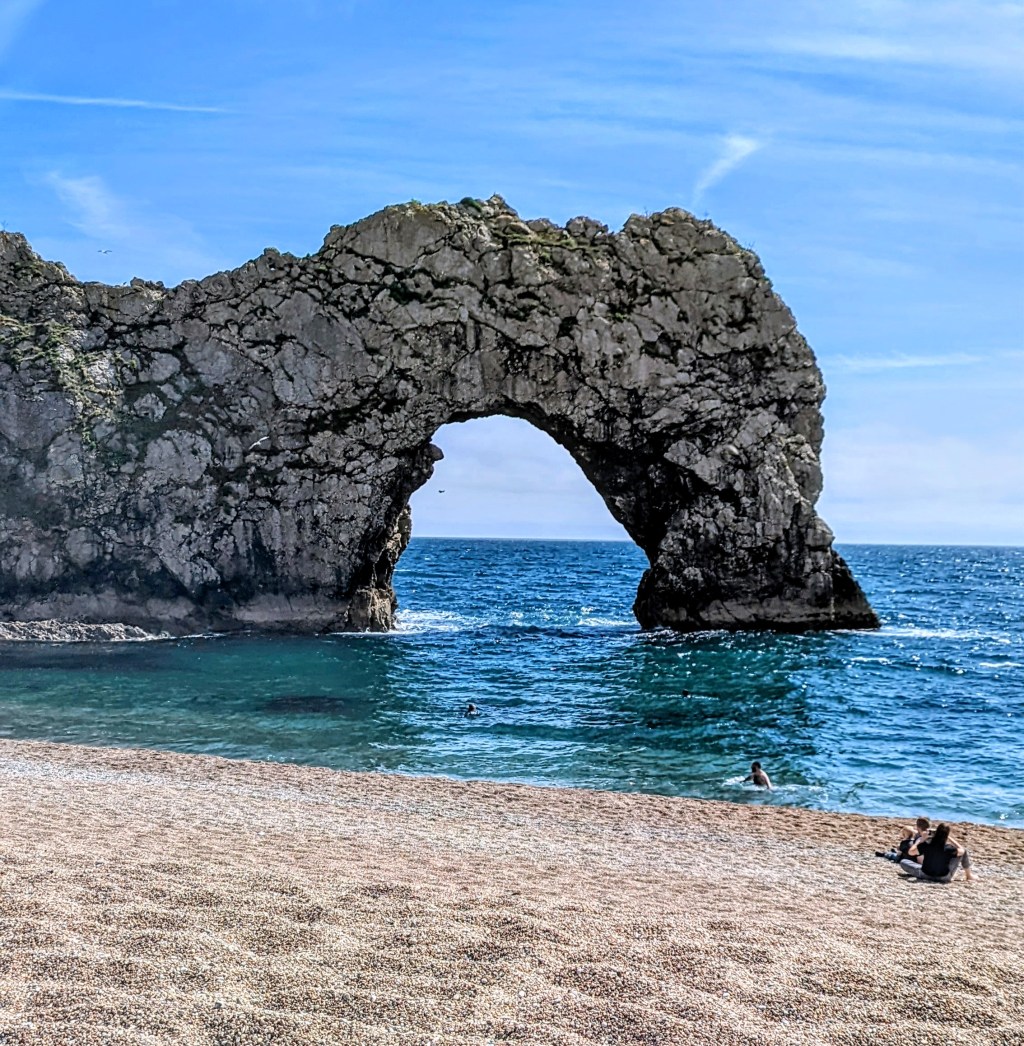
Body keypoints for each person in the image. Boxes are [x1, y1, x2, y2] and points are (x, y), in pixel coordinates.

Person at [899, 822, 975, 882]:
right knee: (961, 852)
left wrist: (921, 839)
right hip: (944, 877)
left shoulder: (927, 845)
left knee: (903, 862)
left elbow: (911, 852)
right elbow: (962, 850)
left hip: (925, 874)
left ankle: (969, 876)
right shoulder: (948, 848)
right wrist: (949, 838)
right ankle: (969, 875)